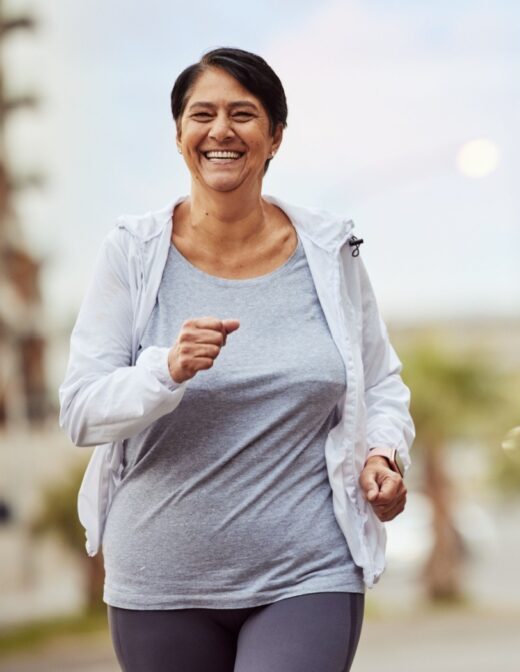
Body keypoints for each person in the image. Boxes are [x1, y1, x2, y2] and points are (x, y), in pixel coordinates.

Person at [59, 47, 414, 672]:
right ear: (179, 135)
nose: (221, 130)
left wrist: (381, 453)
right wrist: (163, 370)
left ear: (275, 136)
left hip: (307, 570)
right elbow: (81, 413)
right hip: (160, 580)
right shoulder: (133, 255)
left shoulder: (332, 252)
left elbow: (379, 381)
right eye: (203, 114)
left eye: (243, 114)